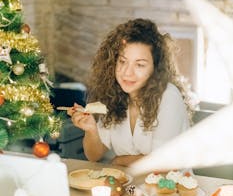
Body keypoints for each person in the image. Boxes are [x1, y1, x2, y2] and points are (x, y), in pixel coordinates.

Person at [68, 18, 192, 167]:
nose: (127, 72)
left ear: (156, 68)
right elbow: (93, 155)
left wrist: (119, 161)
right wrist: (91, 129)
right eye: (122, 61)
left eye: (139, 65)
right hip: (131, 187)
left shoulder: (169, 97)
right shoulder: (115, 95)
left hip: (168, 187)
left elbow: (161, 163)